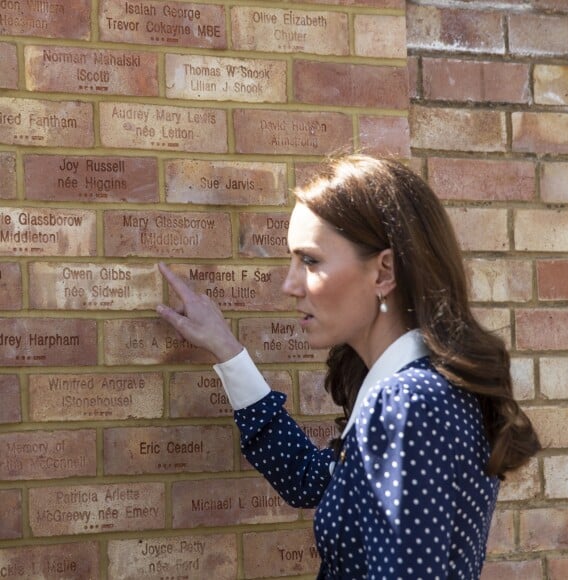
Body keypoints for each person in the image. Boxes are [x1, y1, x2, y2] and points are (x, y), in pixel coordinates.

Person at [156, 154, 540, 579]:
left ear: (384, 271)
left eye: (311, 261)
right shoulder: (423, 390)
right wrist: (228, 351)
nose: (289, 285)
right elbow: (312, 480)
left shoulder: (406, 402)